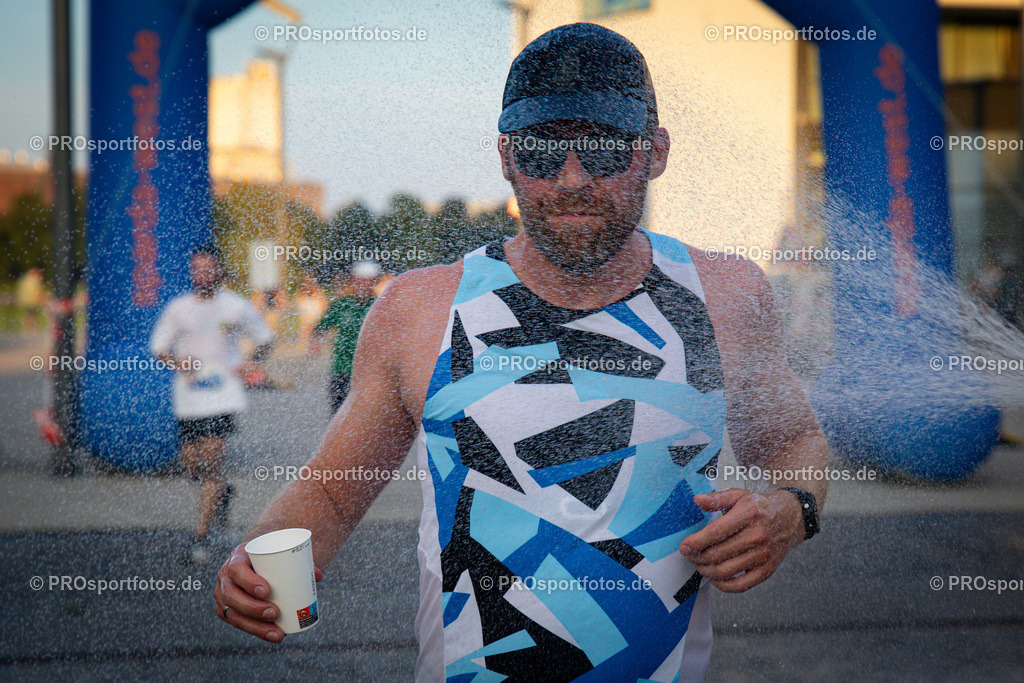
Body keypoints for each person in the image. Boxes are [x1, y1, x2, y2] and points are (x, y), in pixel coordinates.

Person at [215, 23, 829, 681]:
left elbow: (794, 442)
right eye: (541, 153)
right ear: (506, 156)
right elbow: (333, 494)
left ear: (655, 152)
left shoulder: (727, 295)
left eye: (601, 151)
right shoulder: (421, 309)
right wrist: (251, 565)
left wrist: (794, 509)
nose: (571, 180)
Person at [151, 245, 274, 564]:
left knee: (209, 462)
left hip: (223, 396)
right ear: (192, 272)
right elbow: (159, 348)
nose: (203, 274)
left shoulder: (235, 306)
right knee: (193, 466)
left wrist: (249, 363)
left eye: (209, 268)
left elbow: (265, 338)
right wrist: (178, 362)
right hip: (189, 397)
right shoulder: (179, 308)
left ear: (219, 271)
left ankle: (200, 539)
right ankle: (224, 490)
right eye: (197, 269)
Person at [311, 261, 380, 414]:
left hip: (371, 372)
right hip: (342, 369)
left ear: (375, 282)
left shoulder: (381, 305)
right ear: (353, 280)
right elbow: (319, 327)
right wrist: (314, 344)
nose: (363, 284)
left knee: (369, 417)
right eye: (359, 280)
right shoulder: (342, 305)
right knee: (339, 415)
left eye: (368, 280)